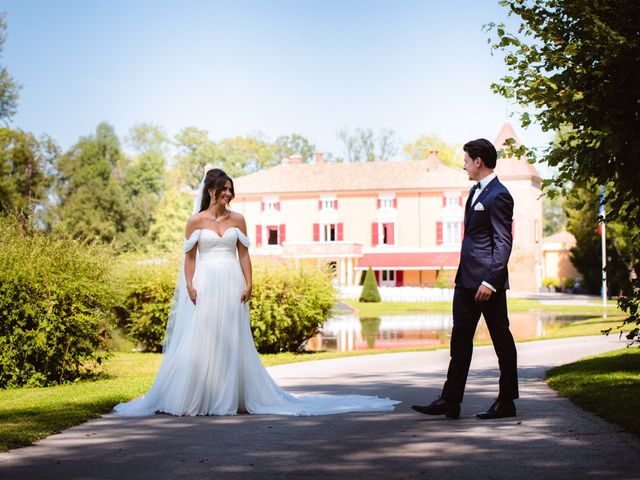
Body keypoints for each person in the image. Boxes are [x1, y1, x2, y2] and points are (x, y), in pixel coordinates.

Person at [114, 168, 399, 417]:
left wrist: (249, 283)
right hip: (206, 283)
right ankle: (199, 394)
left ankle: (232, 396)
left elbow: (244, 255)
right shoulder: (195, 222)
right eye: (224, 189)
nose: (228, 194)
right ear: (211, 190)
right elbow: (189, 258)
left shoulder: (238, 220)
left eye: (230, 189)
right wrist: (190, 284)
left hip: (231, 282)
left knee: (232, 336)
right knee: (203, 335)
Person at [412, 139, 518, 420]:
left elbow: (503, 243)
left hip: (487, 285)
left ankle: (506, 402)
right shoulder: (474, 192)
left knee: (502, 342)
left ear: (478, 161)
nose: (463, 165)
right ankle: (450, 401)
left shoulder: (500, 195)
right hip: (465, 282)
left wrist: (490, 282)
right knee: (459, 343)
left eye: (466, 160)